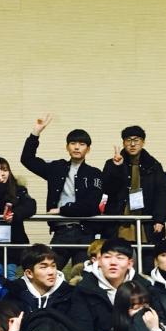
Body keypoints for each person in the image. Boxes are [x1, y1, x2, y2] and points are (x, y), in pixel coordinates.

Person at [20, 113, 103, 268]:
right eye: (73, 143)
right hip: (61, 230)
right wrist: (36, 133)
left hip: (85, 232)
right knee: (49, 271)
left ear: (88, 149)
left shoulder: (95, 173)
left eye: (82, 144)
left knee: (83, 274)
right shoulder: (56, 168)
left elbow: (91, 206)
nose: (77, 147)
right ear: (67, 147)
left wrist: (62, 210)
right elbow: (27, 159)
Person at [69, 238, 164, 331]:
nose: (113, 262)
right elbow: (82, 329)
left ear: (130, 263)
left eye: (120, 257)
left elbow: (158, 320)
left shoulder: (145, 287)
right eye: (107, 257)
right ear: (99, 261)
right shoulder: (84, 289)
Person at [102, 125, 166, 258]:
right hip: (119, 223)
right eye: (128, 140)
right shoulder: (112, 163)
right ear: (123, 143)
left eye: (136, 140)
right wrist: (117, 167)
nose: (132, 144)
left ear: (143, 142)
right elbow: (107, 189)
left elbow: (162, 193)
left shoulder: (154, 166)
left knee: (147, 261)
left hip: (145, 223)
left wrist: (160, 219)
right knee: (119, 259)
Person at [0, 156, 37, 280]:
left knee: (10, 274)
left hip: (14, 241)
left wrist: (15, 214)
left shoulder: (18, 189)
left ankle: (10, 293)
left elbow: (31, 206)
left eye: (5, 170)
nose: (2, 173)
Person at [4, 244, 73, 314]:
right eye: (43, 267)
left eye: (53, 266)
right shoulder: (14, 295)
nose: (51, 272)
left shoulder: (69, 295)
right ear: (29, 273)